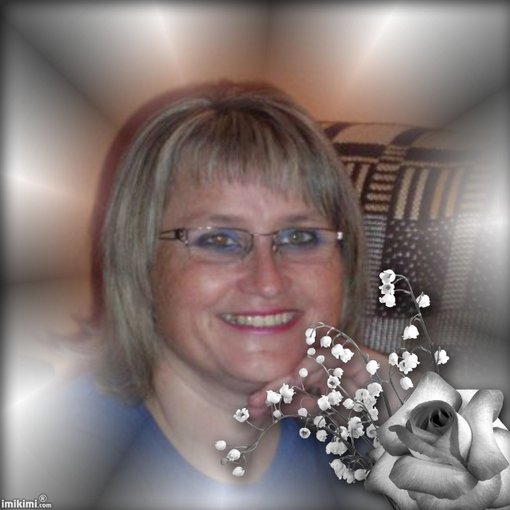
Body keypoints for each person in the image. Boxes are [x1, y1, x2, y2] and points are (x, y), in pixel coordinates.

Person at [9, 80, 389, 510]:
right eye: (219, 241)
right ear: (142, 263)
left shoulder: (371, 442)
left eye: (300, 237)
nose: (268, 281)